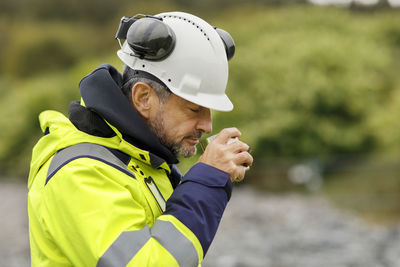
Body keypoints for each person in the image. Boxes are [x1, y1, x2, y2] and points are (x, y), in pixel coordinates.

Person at [27, 11, 253, 267]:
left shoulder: (143, 160)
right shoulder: (80, 172)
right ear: (143, 98)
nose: (208, 125)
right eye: (194, 109)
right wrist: (206, 181)